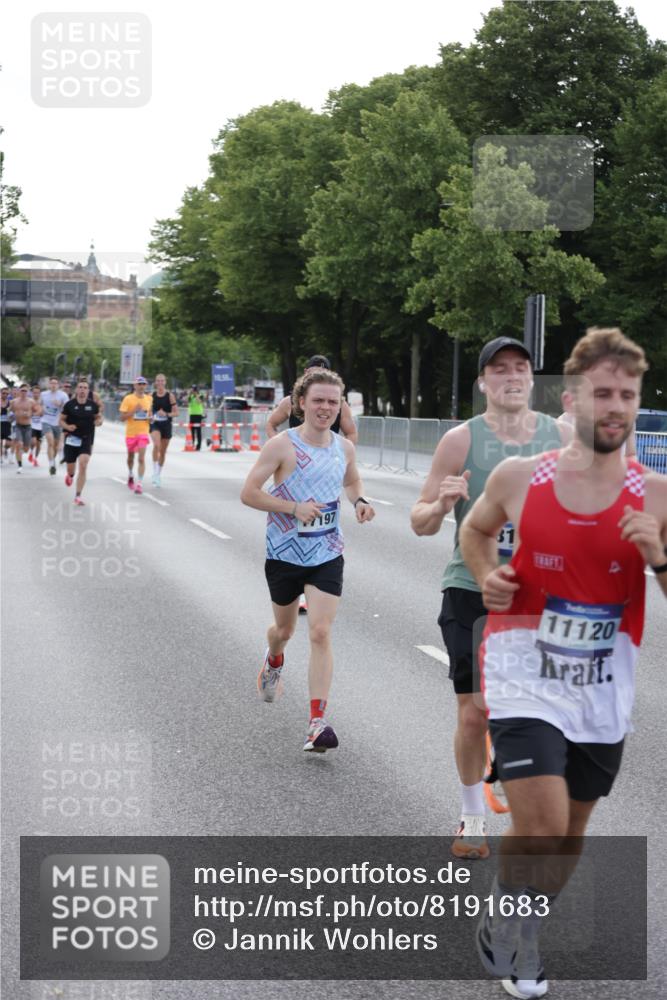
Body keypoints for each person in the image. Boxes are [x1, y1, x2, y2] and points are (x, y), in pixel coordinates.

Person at [459, 327, 667, 999]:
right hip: (522, 672)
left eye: (626, 395)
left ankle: (513, 920)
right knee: (541, 823)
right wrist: (486, 574)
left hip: (602, 687)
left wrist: (658, 556)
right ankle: (513, 938)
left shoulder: (655, 495)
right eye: (600, 392)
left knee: (569, 834)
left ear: (637, 403)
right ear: (572, 398)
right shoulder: (520, 478)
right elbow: (473, 529)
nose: (613, 405)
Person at [410, 337, 570, 861]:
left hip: (538, 594)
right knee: (474, 711)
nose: (511, 376)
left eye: (520, 367)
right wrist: (440, 502)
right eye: (499, 369)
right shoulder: (460, 441)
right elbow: (419, 522)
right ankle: (472, 813)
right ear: (483, 382)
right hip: (470, 588)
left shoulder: (561, 437)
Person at [240, 367, 375, 752]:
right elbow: (249, 493)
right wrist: (292, 507)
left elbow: (350, 479)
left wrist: (360, 500)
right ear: (301, 403)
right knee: (284, 630)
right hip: (284, 553)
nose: (325, 408)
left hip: (327, 551)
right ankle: (275, 657)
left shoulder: (343, 447)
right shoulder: (281, 446)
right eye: (318, 400)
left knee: (320, 631)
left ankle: (317, 722)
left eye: (333, 402)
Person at [266, 356, 359, 444]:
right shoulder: (289, 402)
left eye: (322, 374)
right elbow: (271, 424)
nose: (325, 407)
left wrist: (338, 454)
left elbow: (351, 433)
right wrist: (283, 448)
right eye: (314, 374)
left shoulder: (341, 404)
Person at [59, 378, 103, 505]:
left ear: (88, 391)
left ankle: (78, 496)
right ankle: (70, 476)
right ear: (76, 390)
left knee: (83, 464)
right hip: (72, 439)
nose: (82, 390)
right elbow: (61, 420)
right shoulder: (69, 405)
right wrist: (67, 427)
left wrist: (99, 422)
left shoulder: (92, 405)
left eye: (85, 388)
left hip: (86, 438)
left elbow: (99, 418)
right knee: (71, 469)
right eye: (80, 387)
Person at [119, 376, 153, 494]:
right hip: (131, 433)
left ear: (146, 385)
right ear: (135, 386)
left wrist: (151, 419)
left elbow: (149, 416)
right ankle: (130, 474)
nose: (141, 386)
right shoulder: (128, 399)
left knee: (141, 458)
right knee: (130, 458)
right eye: (139, 384)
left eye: (143, 384)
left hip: (143, 432)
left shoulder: (149, 399)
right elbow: (122, 418)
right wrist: (134, 410)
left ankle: (139, 483)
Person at [150, 373, 178, 486]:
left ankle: (158, 474)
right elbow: (149, 410)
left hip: (166, 424)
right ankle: (154, 472)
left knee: (162, 451)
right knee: (156, 445)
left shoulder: (170, 396)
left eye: (162, 381)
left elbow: (176, 413)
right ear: (155, 382)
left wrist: (166, 414)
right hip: (155, 424)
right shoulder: (152, 395)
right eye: (158, 381)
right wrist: (150, 415)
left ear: (165, 382)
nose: (160, 383)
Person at [40, 376, 70, 475]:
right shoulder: (43, 394)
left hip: (58, 422)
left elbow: (68, 409)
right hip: (46, 421)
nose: (53, 385)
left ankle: (53, 460)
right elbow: (38, 405)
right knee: (50, 442)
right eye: (51, 383)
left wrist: (60, 405)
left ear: (58, 385)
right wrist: (41, 410)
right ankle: (51, 464)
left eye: (55, 383)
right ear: (49, 384)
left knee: (56, 446)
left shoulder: (63, 395)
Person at [9, 384, 41, 474]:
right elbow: (9, 411)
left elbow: (39, 410)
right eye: (22, 390)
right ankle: (19, 466)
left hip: (27, 426)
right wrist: (11, 416)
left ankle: (21, 453)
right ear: (19, 391)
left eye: (25, 391)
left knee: (26, 448)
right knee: (19, 444)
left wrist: (31, 414)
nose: (23, 392)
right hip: (17, 426)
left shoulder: (31, 402)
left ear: (28, 392)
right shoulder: (14, 402)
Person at [28, 385, 44, 466]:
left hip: (41, 426)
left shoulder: (42, 402)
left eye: (37, 393)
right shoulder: (29, 401)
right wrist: (35, 413)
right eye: (34, 392)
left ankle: (35, 459)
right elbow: (28, 413)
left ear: (40, 393)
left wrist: (41, 412)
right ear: (32, 393)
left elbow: (44, 412)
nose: (36, 394)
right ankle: (31, 452)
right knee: (33, 441)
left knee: (39, 445)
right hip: (32, 424)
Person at [188, 386, 205, 451]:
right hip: (192, 415)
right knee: (192, 431)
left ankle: (198, 446)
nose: (193, 391)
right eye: (192, 390)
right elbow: (188, 403)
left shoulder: (201, 395)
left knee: (198, 431)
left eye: (194, 390)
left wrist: (196, 396)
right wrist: (190, 395)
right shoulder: (191, 396)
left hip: (198, 415)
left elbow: (199, 402)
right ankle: (192, 444)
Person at [1, 387, 13, 462]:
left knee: (9, 443)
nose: (5, 395)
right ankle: (1, 458)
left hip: (7, 424)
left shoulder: (10, 403)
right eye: (3, 393)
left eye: (7, 393)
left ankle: (5, 449)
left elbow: (12, 415)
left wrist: (10, 414)